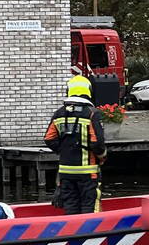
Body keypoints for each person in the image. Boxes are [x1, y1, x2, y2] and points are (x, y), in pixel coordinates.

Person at [44, 75, 107, 214]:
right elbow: (97, 144)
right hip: (88, 172)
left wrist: (64, 150)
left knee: (71, 207)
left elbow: (49, 138)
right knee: (90, 207)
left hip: (65, 172)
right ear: (88, 91)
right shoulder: (91, 114)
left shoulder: (58, 114)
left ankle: (74, 233)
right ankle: (91, 234)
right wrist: (102, 157)